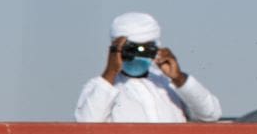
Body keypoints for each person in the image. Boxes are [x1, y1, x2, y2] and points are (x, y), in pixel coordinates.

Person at [75, 11, 221, 124]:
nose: (138, 53)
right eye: (131, 49)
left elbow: (211, 114)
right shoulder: (100, 88)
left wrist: (179, 78)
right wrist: (110, 72)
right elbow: (87, 127)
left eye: (145, 48)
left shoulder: (168, 86)